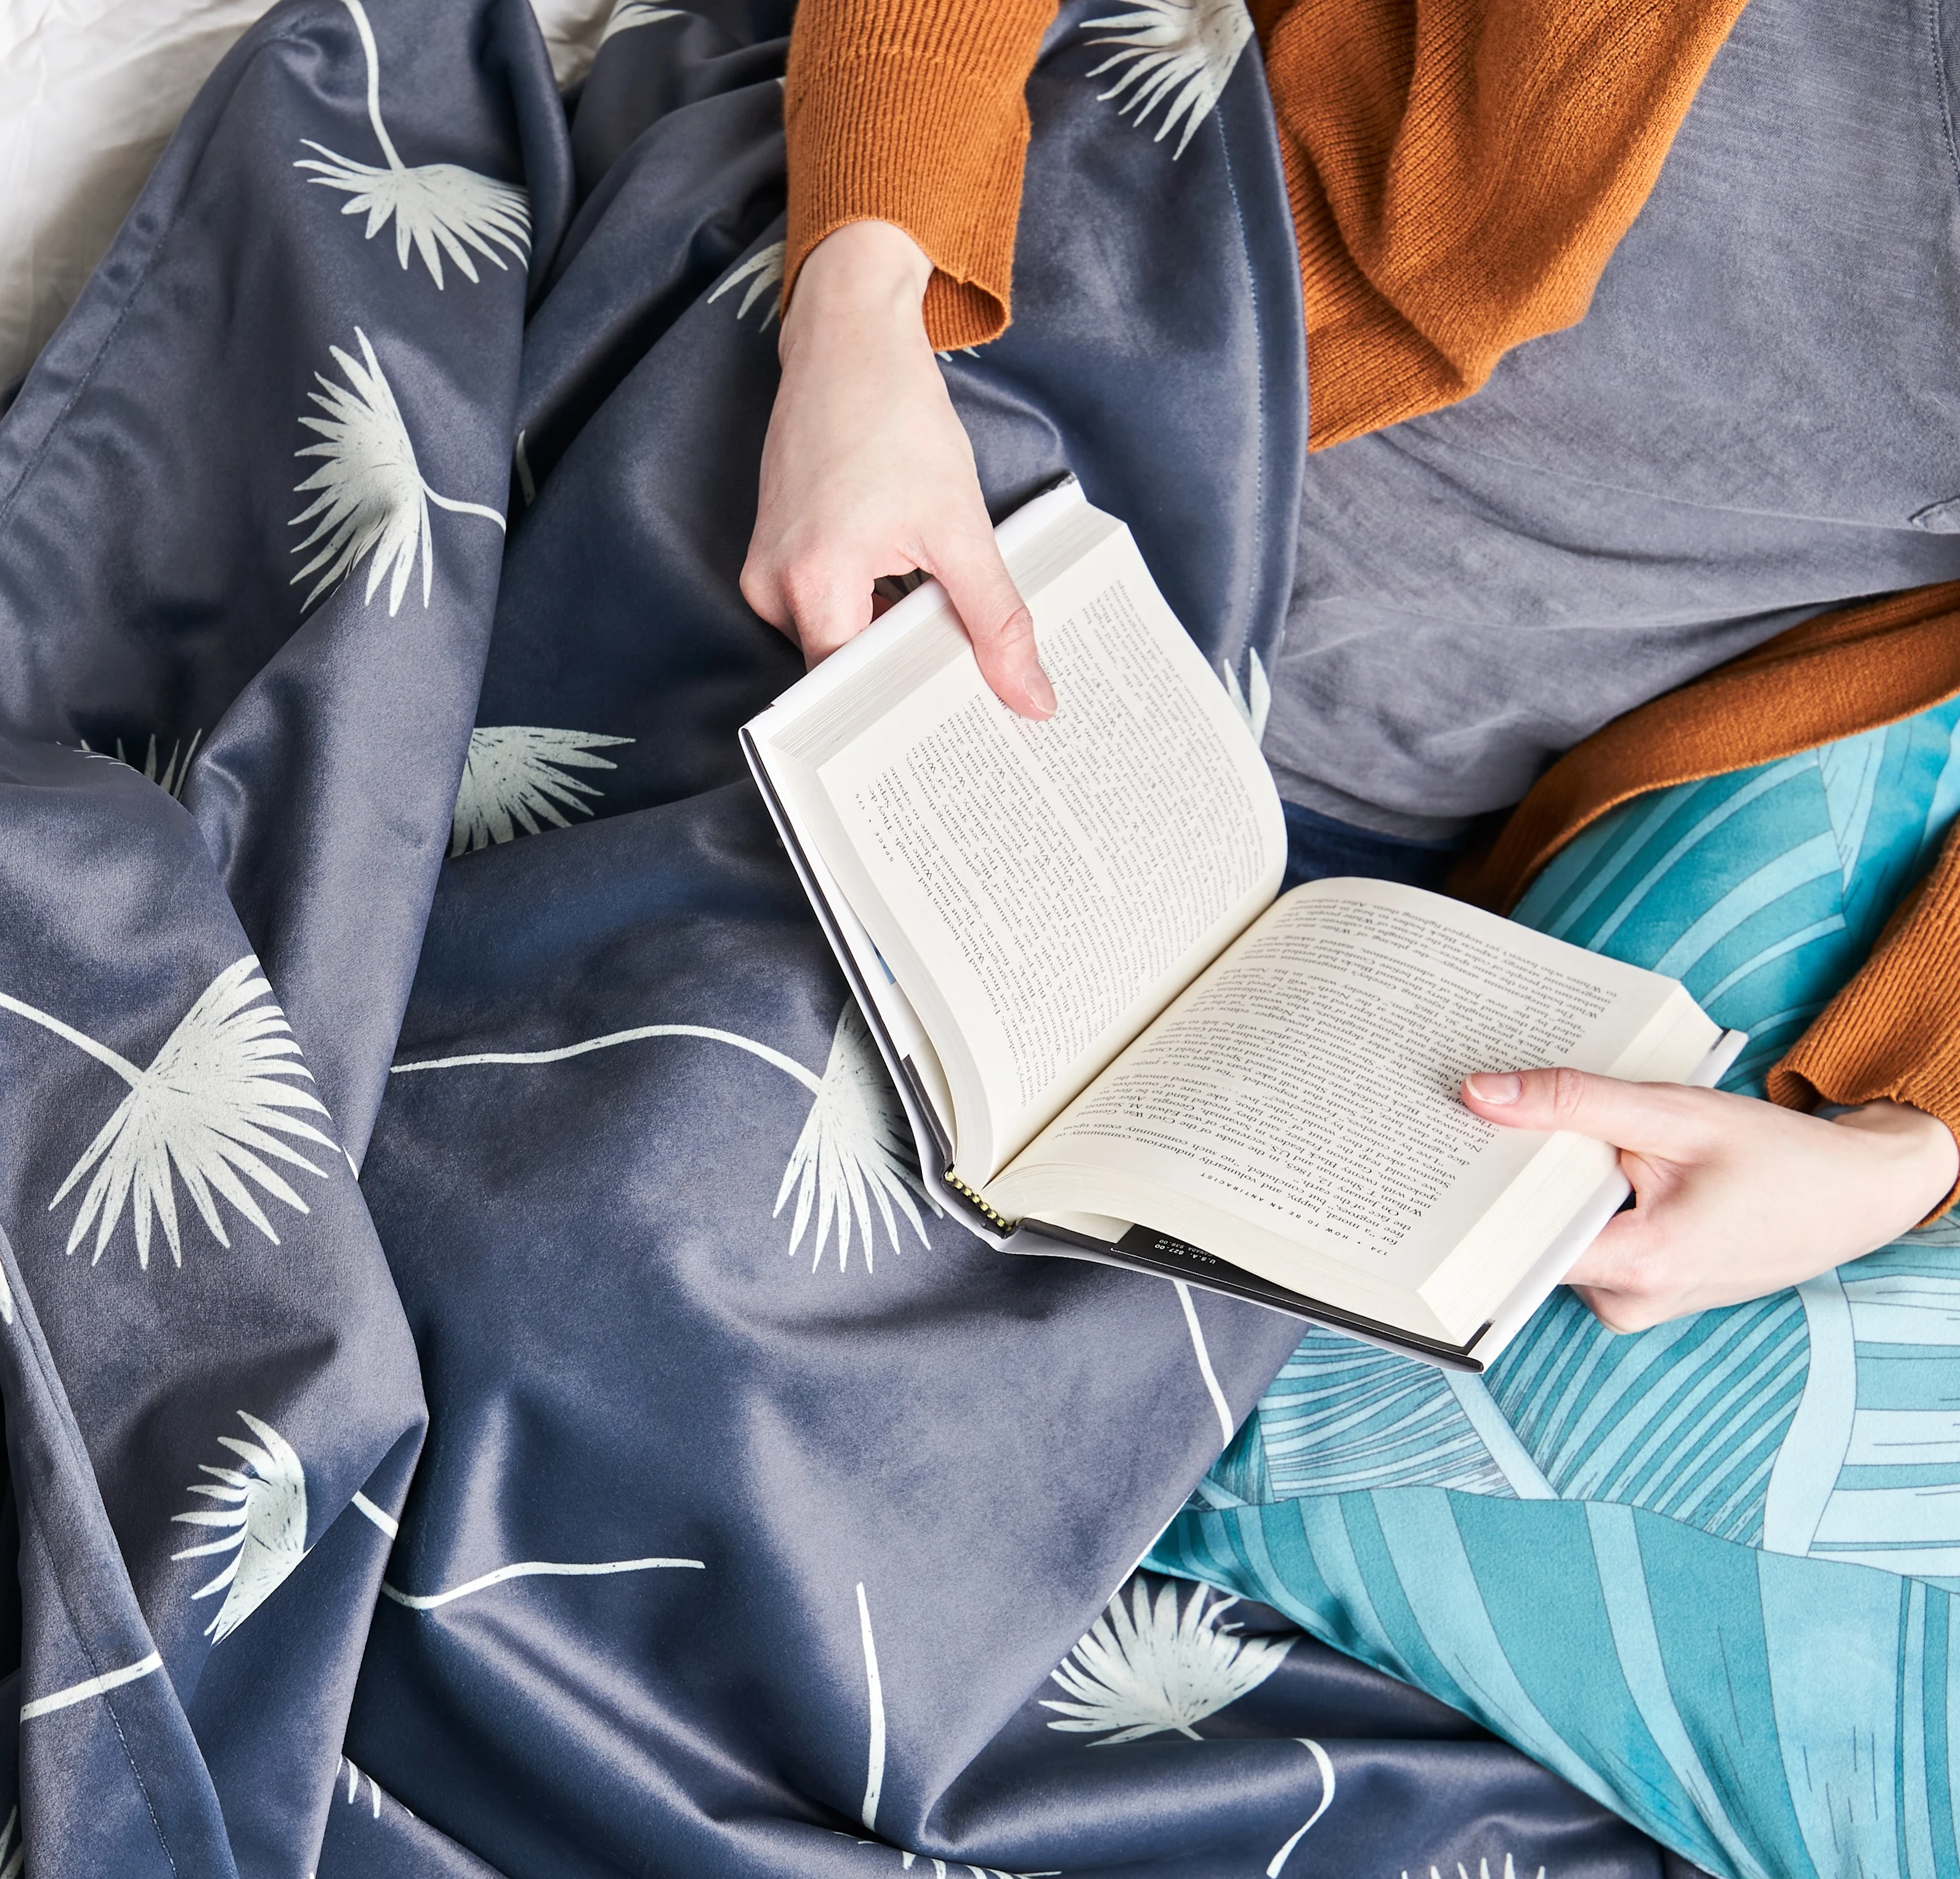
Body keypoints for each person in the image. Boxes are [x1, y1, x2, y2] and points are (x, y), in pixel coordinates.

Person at [741, 0, 1960, 1334]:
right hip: (981, 460)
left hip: (1345, 880)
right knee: (695, 1149)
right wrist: (855, 311)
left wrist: (1905, 1151)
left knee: (1030, 1358)